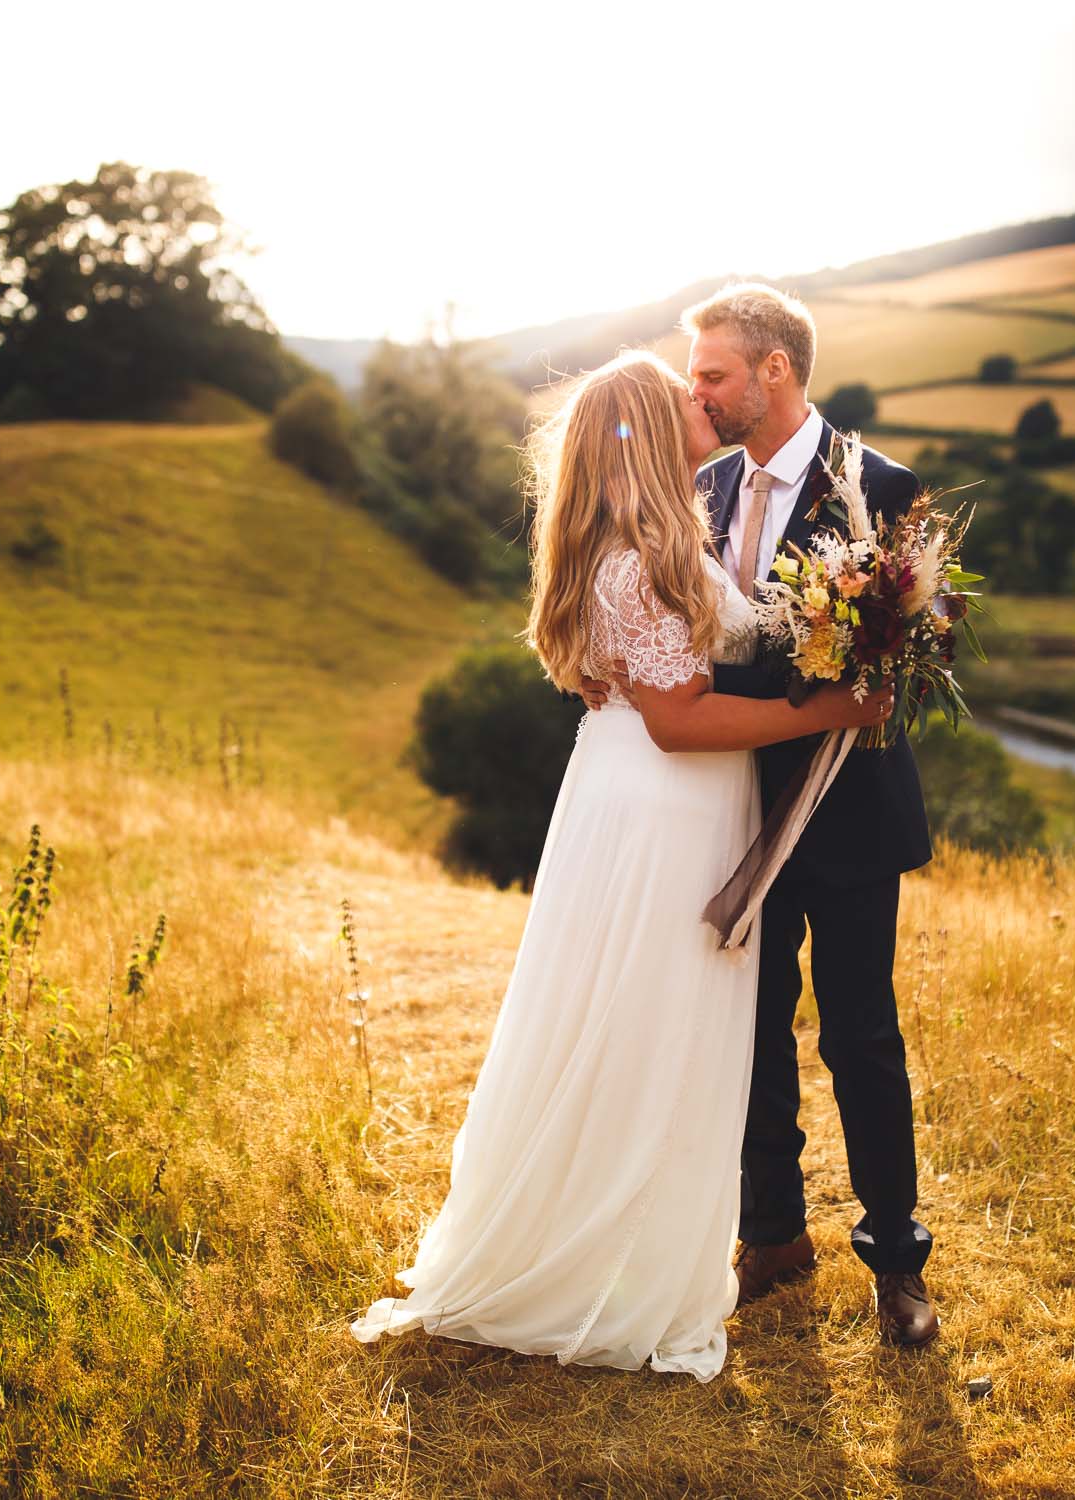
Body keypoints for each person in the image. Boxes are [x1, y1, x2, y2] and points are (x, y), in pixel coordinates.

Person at [349, 350, 890, 1381]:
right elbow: (680, 722)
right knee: (644, 1026)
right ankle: (604, 1266)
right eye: (681, 395)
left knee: (648, 1025)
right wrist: (823, 708)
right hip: (659, 805)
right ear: (645, 426)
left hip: (653, 798)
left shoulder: (662, 534)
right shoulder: (636, 559)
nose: (703, 401)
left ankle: (631, 1244)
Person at [587, 284, 939, 1346]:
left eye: (713, 375)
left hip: (844, 801)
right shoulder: (695, 485)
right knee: (745, 1030)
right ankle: (773, 1235)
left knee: (860, 1033)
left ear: (775, 371)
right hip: (727, 800)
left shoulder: (881, 489)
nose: (697, 391)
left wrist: (868, 673)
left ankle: (896, 1264)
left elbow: (915, 657)